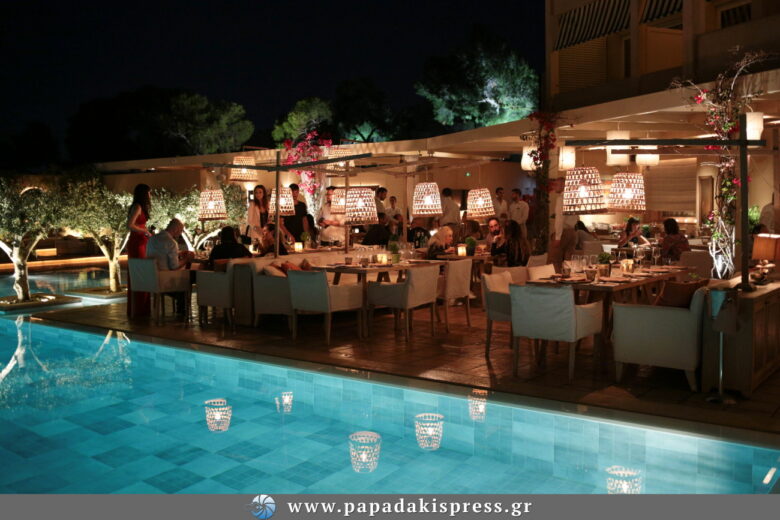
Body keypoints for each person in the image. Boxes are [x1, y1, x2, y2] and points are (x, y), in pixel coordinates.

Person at [146, 219, 194, 315]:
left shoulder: (152, 239)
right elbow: (174, 267)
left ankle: (181, 312)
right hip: (164, 279)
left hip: (150, 278)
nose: (180, 233)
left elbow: (160, 254)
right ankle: (182, 314)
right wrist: (187, 259)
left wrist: (178, 253)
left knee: (183, 279)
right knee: (188, 278)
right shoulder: (171, 242)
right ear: (175, 229)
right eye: (181, 231)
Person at [126, 183, 152, 317]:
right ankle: (139, 308)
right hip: (137, 242)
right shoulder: (137, 207)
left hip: (142, 241)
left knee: (143, 272)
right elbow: (130, 225)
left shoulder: (140, 207)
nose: (150, 195)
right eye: (149, 193)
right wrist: (144, 231)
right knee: (140, 272)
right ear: (144, 194)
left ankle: (142, 307)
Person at [551, 178, 579, 267]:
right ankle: (568, 275)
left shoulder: (561, 198)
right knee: (568, 261)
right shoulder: (573, 198)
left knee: (555, 260)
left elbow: (560, 218)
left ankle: (556, 275)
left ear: (563, 185)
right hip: (573, 231)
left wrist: (557, 237)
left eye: (556, 185)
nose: (554, 187)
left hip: (564, 232)